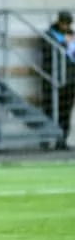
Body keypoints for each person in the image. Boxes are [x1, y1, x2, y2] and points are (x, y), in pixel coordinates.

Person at [41, 10, 75, 150]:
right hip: (53, 79)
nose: (66, 26)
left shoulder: (71, 34)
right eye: (64, 23)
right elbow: (48, 52)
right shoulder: (49, 34)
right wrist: (64, 44)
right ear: (59, 22)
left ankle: (62, 140)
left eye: (68, 24)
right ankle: (46, 140)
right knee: (50, 110)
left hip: (70, 79)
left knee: (65, 112)